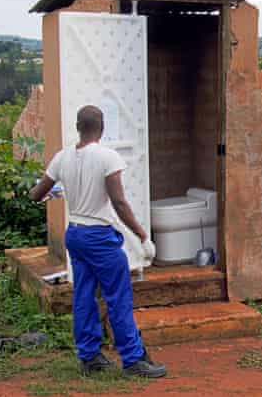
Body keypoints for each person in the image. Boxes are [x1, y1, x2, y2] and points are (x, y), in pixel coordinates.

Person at [29, 105, 166, 378]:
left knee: (84, 296)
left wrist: (53, 189)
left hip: (75, 233)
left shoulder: (62, 158)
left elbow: (36, 194)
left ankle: (89, 357)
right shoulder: (107, 157)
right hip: (99, 237)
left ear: (78, 127)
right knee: (118, 297)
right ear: (101, 129)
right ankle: (133, 359)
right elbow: (119, 202)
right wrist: (142, 235)